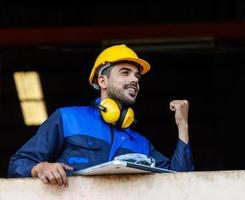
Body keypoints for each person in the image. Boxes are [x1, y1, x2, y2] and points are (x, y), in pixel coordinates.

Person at [7, 44, 193, 187]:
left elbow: (180, 183)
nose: (135, 80)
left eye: (137, 76)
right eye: (125, 72)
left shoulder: (141, 144)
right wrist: (41, 168)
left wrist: (183, 126)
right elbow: (17, 164)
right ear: (102, 81)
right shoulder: (67, 119)